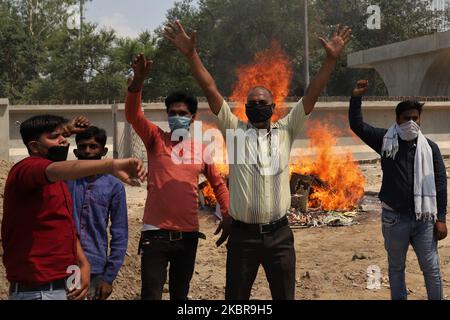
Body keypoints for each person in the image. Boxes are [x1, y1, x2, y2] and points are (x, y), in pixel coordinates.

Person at [165, 20, 352, 300]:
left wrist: (330, 60)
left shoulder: (286, 130)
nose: (257, 107)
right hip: (243, 238)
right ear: (245, 108)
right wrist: (191, 55)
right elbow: (210, 88)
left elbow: (311, 94)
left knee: (284, 296)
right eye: (252, 103)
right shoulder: (234, 129)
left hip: (280, 237)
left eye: (263, 103)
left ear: (273, 107)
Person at [1, 115, 146, 300]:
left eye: (64, 137)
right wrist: (110, 165)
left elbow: (66, 225)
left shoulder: (60, 183)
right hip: (39, 291)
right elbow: (54, 170)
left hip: (67, 285)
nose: (63, 141)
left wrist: (83, 262)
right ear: (34, 146)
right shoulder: (26, 169)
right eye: (55, 137)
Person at [126, 56, 230, 300]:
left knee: (180, 294)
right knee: (151, 293)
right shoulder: (155, 139)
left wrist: (228, 214)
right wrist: (138, 81)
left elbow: (218, 184)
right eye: (172, 112)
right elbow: (133, 115)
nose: (177, 116)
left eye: (182, 112)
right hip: (155, 234)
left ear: (192, 118)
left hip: (188, 236)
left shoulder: (202, 150)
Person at [349, 80, 447, 300]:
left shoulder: (430, 148)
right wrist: (356, 98)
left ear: (420, 120)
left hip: (424, 220)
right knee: (396, 269)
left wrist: (441, 218)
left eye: (415, 118)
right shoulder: (385, 141)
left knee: (431, 269)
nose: (411, 122)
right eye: (406, 119)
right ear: (397, 120)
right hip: (394, 219)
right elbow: (357, 126)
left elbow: (440, 183)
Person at [67, 126, 128, 300]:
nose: (87, 151)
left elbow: (119, 232)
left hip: (95, 266)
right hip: (65, 263)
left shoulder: (114, 186)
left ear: (103, 150)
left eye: (93, 146)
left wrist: (109, 277)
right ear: (76, 150)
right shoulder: (65, 180)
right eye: (83, 146)